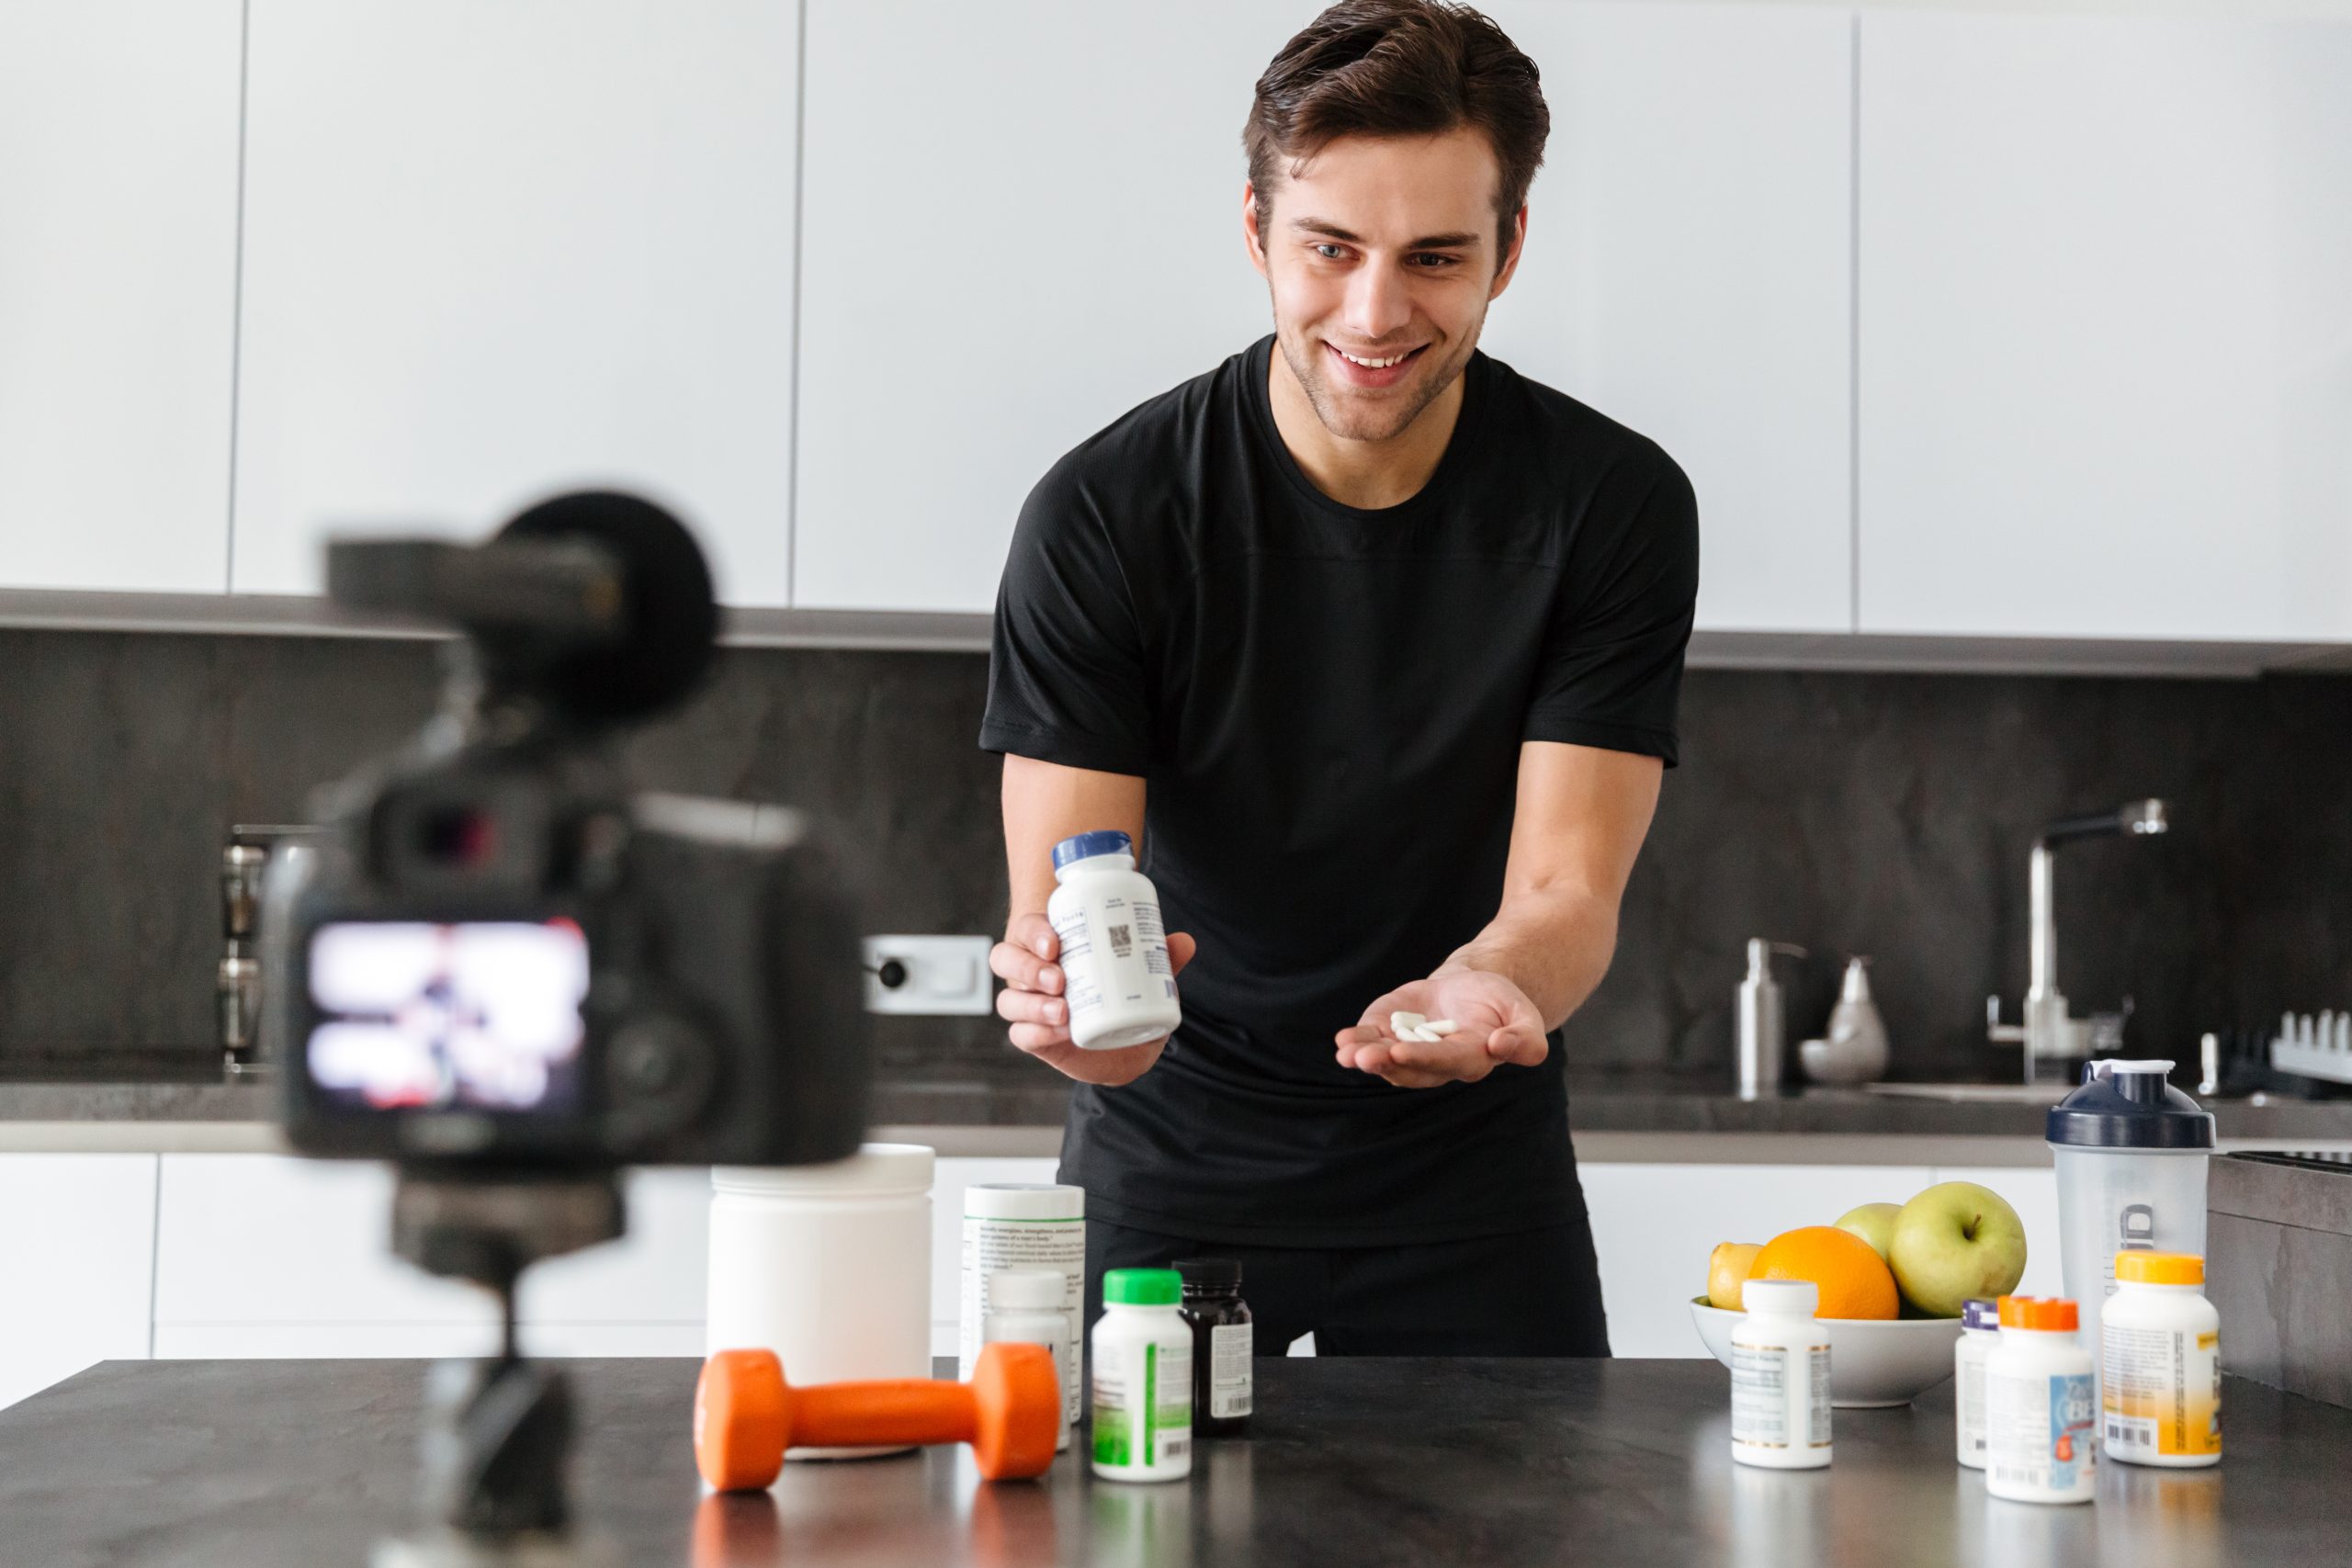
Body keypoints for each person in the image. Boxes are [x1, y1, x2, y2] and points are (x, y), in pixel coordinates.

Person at [979, 0, 1698, 1357]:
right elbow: (1071, 901)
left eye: (1436, 257)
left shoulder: (1611, 507)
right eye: (1329, 248)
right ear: (1255, 232)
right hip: (1169, 1167)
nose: (1376, 314)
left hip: (1470, 1176)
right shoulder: (1105, 516)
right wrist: (1081, 1023)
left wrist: (1496, 985)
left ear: (1509, 251)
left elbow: (1565, 892)